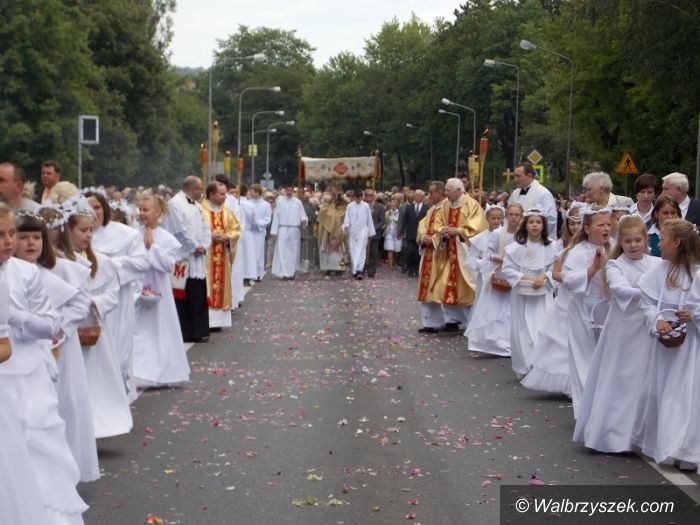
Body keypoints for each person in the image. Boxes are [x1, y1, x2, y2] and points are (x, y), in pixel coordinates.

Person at [0, 203, 89, 524]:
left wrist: (15, 316)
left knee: (36, 446)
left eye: (12, 233)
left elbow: (49, 324)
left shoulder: (26, 273)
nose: (9, 242)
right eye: (2, 235)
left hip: (27, 374)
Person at [14, 211, 100, 482]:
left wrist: (61, 329)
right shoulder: (13, 273)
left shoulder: (61, 269)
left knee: (65, 403)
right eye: (24, 237)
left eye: (36, 237)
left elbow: (79, 302)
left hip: (61, 347)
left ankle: (69, 468)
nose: (31, 243)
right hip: (24, 350)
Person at [573, 216, 660, 452]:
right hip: (623, 330)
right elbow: (620, 290)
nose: (633, 245)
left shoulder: (656, 263)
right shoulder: (614, 265)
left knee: (646, 378)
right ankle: (614, 435)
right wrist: (650, 293)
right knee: (621, 377)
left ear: (645, 239)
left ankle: (643, 433)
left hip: (648, 328)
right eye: (628, 241)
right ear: (620, 241)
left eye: (638, 240)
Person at [60, 195, 133, 440]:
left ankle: (101, 424)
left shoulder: (102, 262)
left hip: (95, 333)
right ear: (68, 231)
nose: (88, 235)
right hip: (70, 334)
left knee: (97, 381)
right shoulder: (61, 262)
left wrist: (93, 303)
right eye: (83, 230)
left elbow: (113, 294)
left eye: (91, 230)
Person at [632, 218, 700, 468]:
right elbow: (646, 301)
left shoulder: (698, 272)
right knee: (661, 392)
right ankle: (666, 443)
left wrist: (694, 316)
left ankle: (685, 449)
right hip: (664, 344)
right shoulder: (661, 270)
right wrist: (657, 320)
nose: (658, 244)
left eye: (663, 239)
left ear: (677, 242)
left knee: (684, 395)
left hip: (690, 347)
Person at [86, 189, 149, 402]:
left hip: (118, 300)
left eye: (97, 207)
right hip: (89, 303)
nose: (93, 212)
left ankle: (120, 394)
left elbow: (142, 262)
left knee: (119, 347)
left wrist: (110, 267)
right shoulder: (76, 234)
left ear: (104, 208)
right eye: (88, 208)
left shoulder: (125, 234)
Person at [520, 204, 583, 395]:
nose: (575, 227)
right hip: (566, 292)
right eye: (572, 224)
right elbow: (555, 271)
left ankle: (578, 382)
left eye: (579, 224)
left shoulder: (588, 246)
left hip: (583, 293)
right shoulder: (560, 245)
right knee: (561, 338)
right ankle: (564, 381)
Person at [132, 193, 191, 387]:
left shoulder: (167, 239)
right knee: (138, 329)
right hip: (137, 287)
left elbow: (167, 266)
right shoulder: (133, 234)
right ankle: (139, 370)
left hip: (158, 288)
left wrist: (152, 247)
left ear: (158, 212)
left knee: (159, 329)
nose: (142, 213)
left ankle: (164, 372)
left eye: (146, 210)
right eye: (140, 209)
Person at [561, 205, 613, 418]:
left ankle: (605, 409)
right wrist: (592, 269)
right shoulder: (577, 251)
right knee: (585, 360)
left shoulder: (615, 247)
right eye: (601, 225)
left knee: (607, 360)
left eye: (609, 224)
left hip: (609, 309)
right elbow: (568, 280)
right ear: (587, 228)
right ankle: (586, 413)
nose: (606, 228)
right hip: (583, 309)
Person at [501, 208, 556, 377]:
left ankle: (541, 366)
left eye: (538, 222)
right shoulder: (515, 248)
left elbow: (555, 269)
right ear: (525, 225)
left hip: (542, 294)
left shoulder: (552, 246)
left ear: (543, 226)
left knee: (541, 327)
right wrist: (524, 277)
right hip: (522, 293)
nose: (535, 225)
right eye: (531, 222)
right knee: (521, 329)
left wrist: (543, 277)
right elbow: (507, 269)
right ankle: (524, 367)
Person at [466, 203, 522, 356]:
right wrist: (492, 263)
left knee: (509, 309)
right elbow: (487, 256)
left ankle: (509, 342)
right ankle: (490, 342)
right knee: (493, 309)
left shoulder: (522, 235)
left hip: (515, 275)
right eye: (511, 214)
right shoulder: (496, 235)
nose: (496, 221)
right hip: (497, 274)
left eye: (517, 215)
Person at [431, 178, 488, 329]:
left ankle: (472, 323)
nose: (445, 193)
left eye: (448, 190)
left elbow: (478, 229)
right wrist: (443, 231)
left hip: (464, 251)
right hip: (448, 252)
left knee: (467, 288)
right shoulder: (446, 205)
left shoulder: (472, 205)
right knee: (445, 285)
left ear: (458, 190)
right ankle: (452, 320)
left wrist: (457, 231)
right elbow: (438, 223)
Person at [168, 176, 212, 343]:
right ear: (194, 189)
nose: (202, 192)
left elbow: (206, 228)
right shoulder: (175, 203)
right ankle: (185, 332)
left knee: (198, 293)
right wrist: (194, 247)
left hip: (198, 257)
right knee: (183, 295)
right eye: (201, 189)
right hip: (184, 257)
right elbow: (179, 230)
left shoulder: (198, 206)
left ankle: (199, 330)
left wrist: (204, 245)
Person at [201, 182, 240, 328]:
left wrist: (228, 237)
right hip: (206, 257)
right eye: (222, 194)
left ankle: (218, 322)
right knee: (206, 286)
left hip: (222, 255)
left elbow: (236, 229)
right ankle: (206, 320)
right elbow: (195, 231)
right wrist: (210, 236)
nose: (225, 197)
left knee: (221, 286)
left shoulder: (227, 212)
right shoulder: (200, 210)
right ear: (211, 194)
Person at [417, 181, 448, 333]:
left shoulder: (448, 207)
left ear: (440, 192)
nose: (429, 196)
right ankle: (429, 322)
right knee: (426, 288)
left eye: (431, 192)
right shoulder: (431, 209)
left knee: (438, 288)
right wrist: (423, 237)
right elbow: (422, 225)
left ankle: (446, 321)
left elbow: (447, 228)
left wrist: (434, 239)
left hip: (441, 254)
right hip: (428, 252)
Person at [509, 162, 558, 239]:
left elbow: (550, 220)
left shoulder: (543, 193)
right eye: (515, 176)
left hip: (537, 239)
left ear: (529, 176)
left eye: (518, 176)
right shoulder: (514, 193)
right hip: (516, 238)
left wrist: (534, 235)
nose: (515, 179)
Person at [270, 184, 308, 280]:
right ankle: (284, 273)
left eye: (291, 190)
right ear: (285, 191)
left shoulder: (298, 202)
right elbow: (276, 216)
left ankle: (292, 272)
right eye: (288, 190)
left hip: (294, 230)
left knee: (293, 252)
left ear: (293, 191)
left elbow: (302, 215)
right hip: (282, 229)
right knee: (282, 251)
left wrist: (304, 220)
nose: (289, 192)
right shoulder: (280, 202)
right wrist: (274, 231)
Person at [241, 184, 272, 282]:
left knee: (258, 254)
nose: (250, 193)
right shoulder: (247, 203)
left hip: (259, 232)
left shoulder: (266, 205)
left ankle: (258, 273)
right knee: (249, 253)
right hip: (249, 231)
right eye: (250, 191)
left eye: (252, 191)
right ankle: (249, 273)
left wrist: (258, 224)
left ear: (258, 192)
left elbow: (267, 219)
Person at [342, 190, 375, 280]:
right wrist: (346, 225)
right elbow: (347, 218)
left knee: (362, 251)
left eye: (360, 196)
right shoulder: (349, 206)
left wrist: (371, 232)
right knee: (353, 251)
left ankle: (360, 271)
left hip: (363, 231)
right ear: (354, 197)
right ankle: (355, 270)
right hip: (353, 232)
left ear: (362, 196)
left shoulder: (366, 206)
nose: (358, 198)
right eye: (356, 196)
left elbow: (369, 219)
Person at [318, 190, 348, 276]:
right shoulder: (325, 209)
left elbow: (344, 217)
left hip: (339, 233)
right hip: (327, 234)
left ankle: (340, 268)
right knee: (328, 251)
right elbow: (322, 221)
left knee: (340, 252)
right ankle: (329, 268)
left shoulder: (344, 207)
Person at [399, 189, 428, 277]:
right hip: (410, 233)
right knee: (410, 252)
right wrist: (402, 231)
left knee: (418, 253)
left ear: (422, 197)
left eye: (419, 195)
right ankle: (410, 268)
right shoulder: (409, 207)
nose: (417, 197)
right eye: (416, 195)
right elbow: (404, 220)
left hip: (421, 234)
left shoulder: (426, 208)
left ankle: (417, 268)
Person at [364, 187, 385, 278]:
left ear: (374, 196)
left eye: (370, 195)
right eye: (366, 195)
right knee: (362, 252)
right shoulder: (361, 205)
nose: (368, 197)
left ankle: (371, 271)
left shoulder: (379, 207)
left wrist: (373, 229)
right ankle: (361, 269)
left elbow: (382, 221)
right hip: (362, 233)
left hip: (375, 234)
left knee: (374, 253)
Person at [383, 194, 402, 270]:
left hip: (397, 233)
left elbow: (401, 223)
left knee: (396, 250)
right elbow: (385, 222)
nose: (393, 207)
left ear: (397, 206)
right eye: (392, 206)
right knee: (390, 248)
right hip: (389, 232)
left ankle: (395, 262)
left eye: (394, 206)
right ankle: (390, 264)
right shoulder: (387, 213)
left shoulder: (400, 213)